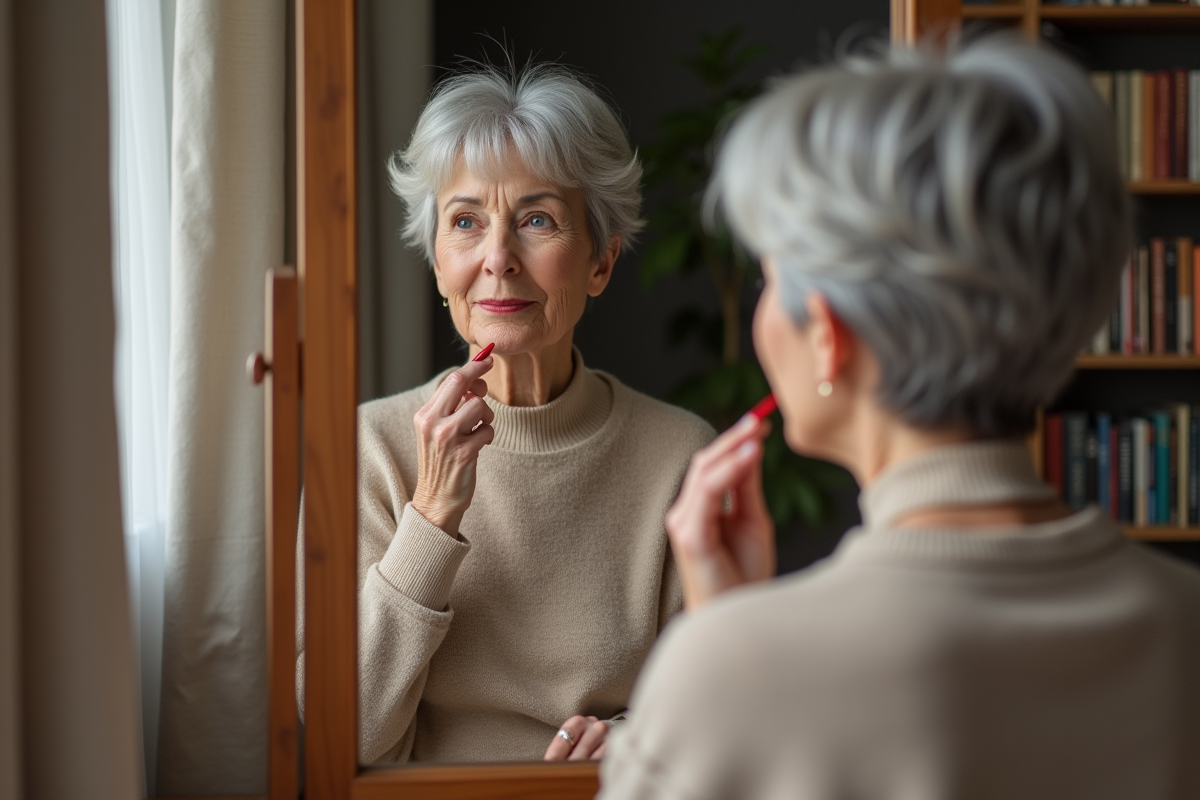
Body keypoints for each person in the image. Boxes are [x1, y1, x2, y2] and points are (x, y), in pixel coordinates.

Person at [600, 33, 1200, 799]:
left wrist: (728, 654)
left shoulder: (725, 671)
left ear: (828, 336)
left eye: (769, 280)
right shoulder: (1186, 625)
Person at [295, 61, 714, 765]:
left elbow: (714, 712)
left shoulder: (679, 455)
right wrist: (432, 513)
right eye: (465, 222)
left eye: (537, 220)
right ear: (438, 263)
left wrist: (634, 739)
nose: (498, 258)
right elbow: (341, 736)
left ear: (601, 262)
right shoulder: (367, 447)